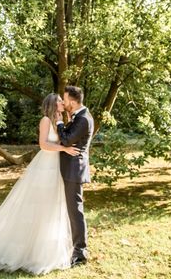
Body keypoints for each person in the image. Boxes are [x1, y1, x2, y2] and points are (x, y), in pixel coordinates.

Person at [0, 93, 80, 275]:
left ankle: (42, 249)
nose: (62, 103)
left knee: (50, 207)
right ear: (52, 103)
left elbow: (62, 138)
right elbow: (43, 144)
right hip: (45, 167)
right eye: (59, 100)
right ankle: (26, 249)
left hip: (55, 166)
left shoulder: (59, 119)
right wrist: (64, 148)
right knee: (39, 206)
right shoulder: (44, 120)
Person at [56, 85, 94, 266]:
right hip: (70, 168)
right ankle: (72, 246)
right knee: (72, 209)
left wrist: (59, 123)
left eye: (64, 100)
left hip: (74, 169)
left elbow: (65, 139)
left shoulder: (84, 119)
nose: (63, 103)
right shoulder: (78, 117)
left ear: (72, 101)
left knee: (75, 211)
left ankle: (80, 253)